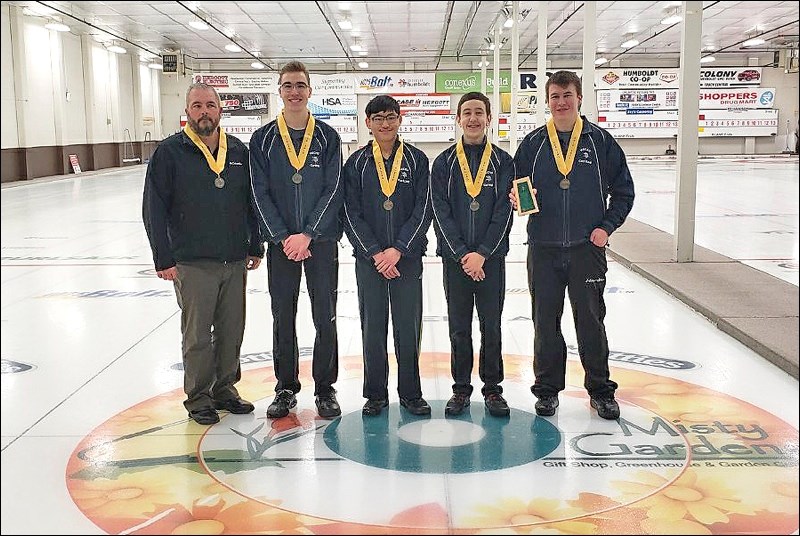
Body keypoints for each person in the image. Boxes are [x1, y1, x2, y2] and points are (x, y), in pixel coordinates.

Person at [511, 70, 635, 420]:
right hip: (544, 248)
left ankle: (600, 390)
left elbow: (624, 192)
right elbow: (517, 191)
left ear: (579, 98)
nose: (561, 102)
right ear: (547, 101)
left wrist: (606, 227)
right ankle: (547, 390)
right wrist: (518, 201)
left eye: (567, 95)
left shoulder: (600, 142)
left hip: (586, 249)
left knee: (591, 322)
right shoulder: (533, 144)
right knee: (545, 322)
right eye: (555, 96)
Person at [142, 82, 264, 426]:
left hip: (234, 258)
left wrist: (255, 244)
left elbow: (250, 203)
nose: (204, 112)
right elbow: (154, 206)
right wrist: (162, 257)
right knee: (197, 334)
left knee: (231, 329)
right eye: (197, 106)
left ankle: (225, 389)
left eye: (210, 105)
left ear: (220, 110)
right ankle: (198, 397)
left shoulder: (238, 151)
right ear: (187, 111)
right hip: (192, 261)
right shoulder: (170, 153)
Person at [249, 61, 344, 419]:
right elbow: (259, 192)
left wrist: (308, 233)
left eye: (300, 85)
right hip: (281, 246)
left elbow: (334, 189)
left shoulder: (328, 138)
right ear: (279, 91)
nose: (294, 91)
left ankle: (325, 388)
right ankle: (286, 387)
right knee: (282, 317)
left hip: (319, 243)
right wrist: (283, 236)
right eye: (288, 85)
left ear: (309, 91)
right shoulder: (264, 139)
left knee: (325, 316)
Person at [342, 95, 433, 417]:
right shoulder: (355, 163)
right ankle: (375, 394)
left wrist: (398, 250)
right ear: (367, 123)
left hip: (406, 259)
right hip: (370, 261)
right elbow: (350, 213)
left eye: (390, 117)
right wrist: (376, 253)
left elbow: (424, 210)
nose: (385, 123)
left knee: (408, 328)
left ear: (400, 119)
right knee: (373, 327)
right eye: (378, 118)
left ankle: (410, 393)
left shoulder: (418, 161)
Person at [431, 91, 515, 418]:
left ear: (489, 118)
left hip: (491, 261)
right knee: (459, 328)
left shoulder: (504, 162)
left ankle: (493, 389)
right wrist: (464, 255)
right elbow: (441, 213)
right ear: (458, 119)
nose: (473, 118)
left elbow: (503, 213)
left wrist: (482, 254)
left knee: (491, 325)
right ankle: (461, 389)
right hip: (456, 262)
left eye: (479, 112)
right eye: (467, 113)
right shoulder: (444, 163)